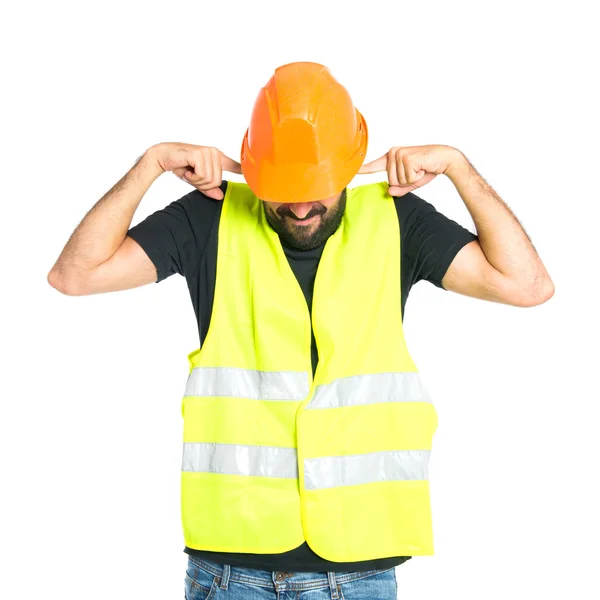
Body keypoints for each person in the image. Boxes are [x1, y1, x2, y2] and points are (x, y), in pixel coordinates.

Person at [47, 62, 554, 600]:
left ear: (349, 168)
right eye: (284, 191)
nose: (302, 206)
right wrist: (149, 165)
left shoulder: (396, 221)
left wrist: (458, 168)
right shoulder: (209, 220)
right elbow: (74, 276)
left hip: (358, 569)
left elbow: (527, 286)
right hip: (230, 570)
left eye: (317, 188)